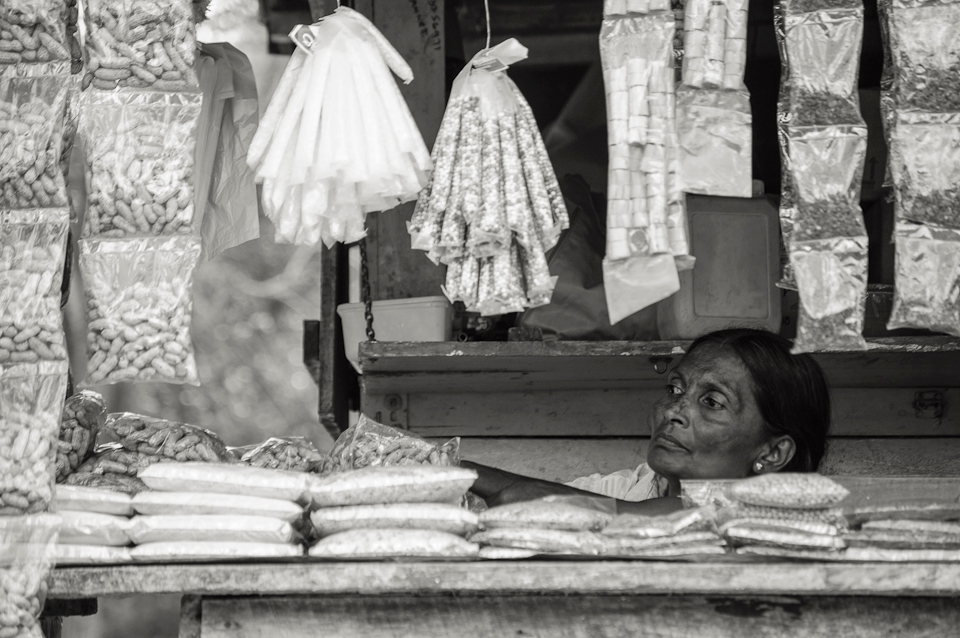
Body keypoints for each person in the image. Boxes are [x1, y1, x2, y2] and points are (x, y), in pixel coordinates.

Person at [462, 328, 832, 515]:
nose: (673, 411)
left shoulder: (780, 517)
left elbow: (541, 503)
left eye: (712, 402)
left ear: (773, 452)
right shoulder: (630, 489)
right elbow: (531, 500)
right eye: (675, 389)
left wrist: (455, 471)